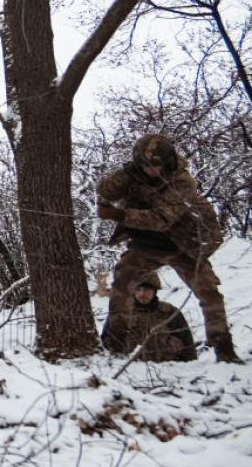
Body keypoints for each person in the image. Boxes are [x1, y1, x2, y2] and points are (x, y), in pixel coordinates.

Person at [97, 133, 242, 363]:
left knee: (209, 293)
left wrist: (119, 215)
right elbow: (104, 190)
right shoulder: (133, 174)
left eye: (156, 165)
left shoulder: (182, 181)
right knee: (122, 284)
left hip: (182, 245)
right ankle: (115, 347)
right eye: (145, 166)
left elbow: (161, 219)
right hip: (145, 245)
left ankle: (224, 350)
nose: (151, 171)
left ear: (168, 162)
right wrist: (123, 178)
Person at [100, 274, 196, 362]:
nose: (142, 294)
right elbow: (107, 342)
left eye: (147, 290)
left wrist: (189, 365)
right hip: (131, 368)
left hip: (170, 368)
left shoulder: (169, 312)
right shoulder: (121, 313)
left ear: (154, 291)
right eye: (138, 289)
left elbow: (187, 344)